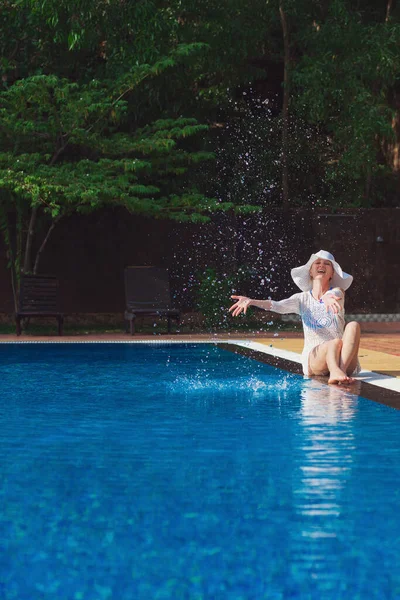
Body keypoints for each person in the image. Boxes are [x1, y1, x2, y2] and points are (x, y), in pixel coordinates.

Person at [229, 250, 361, 385]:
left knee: (353, 326)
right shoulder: (301, 299)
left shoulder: (337, 293)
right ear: (310, 271)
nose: (322, 265)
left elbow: (336, 292)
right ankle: (335, 371)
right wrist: (252, 301)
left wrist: (328, 296)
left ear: (332, 273)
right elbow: (277, 305)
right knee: (335, 342)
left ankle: (340, 371)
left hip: (343, 358)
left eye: (327, 264)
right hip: (316, 360)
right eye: (317, 263)